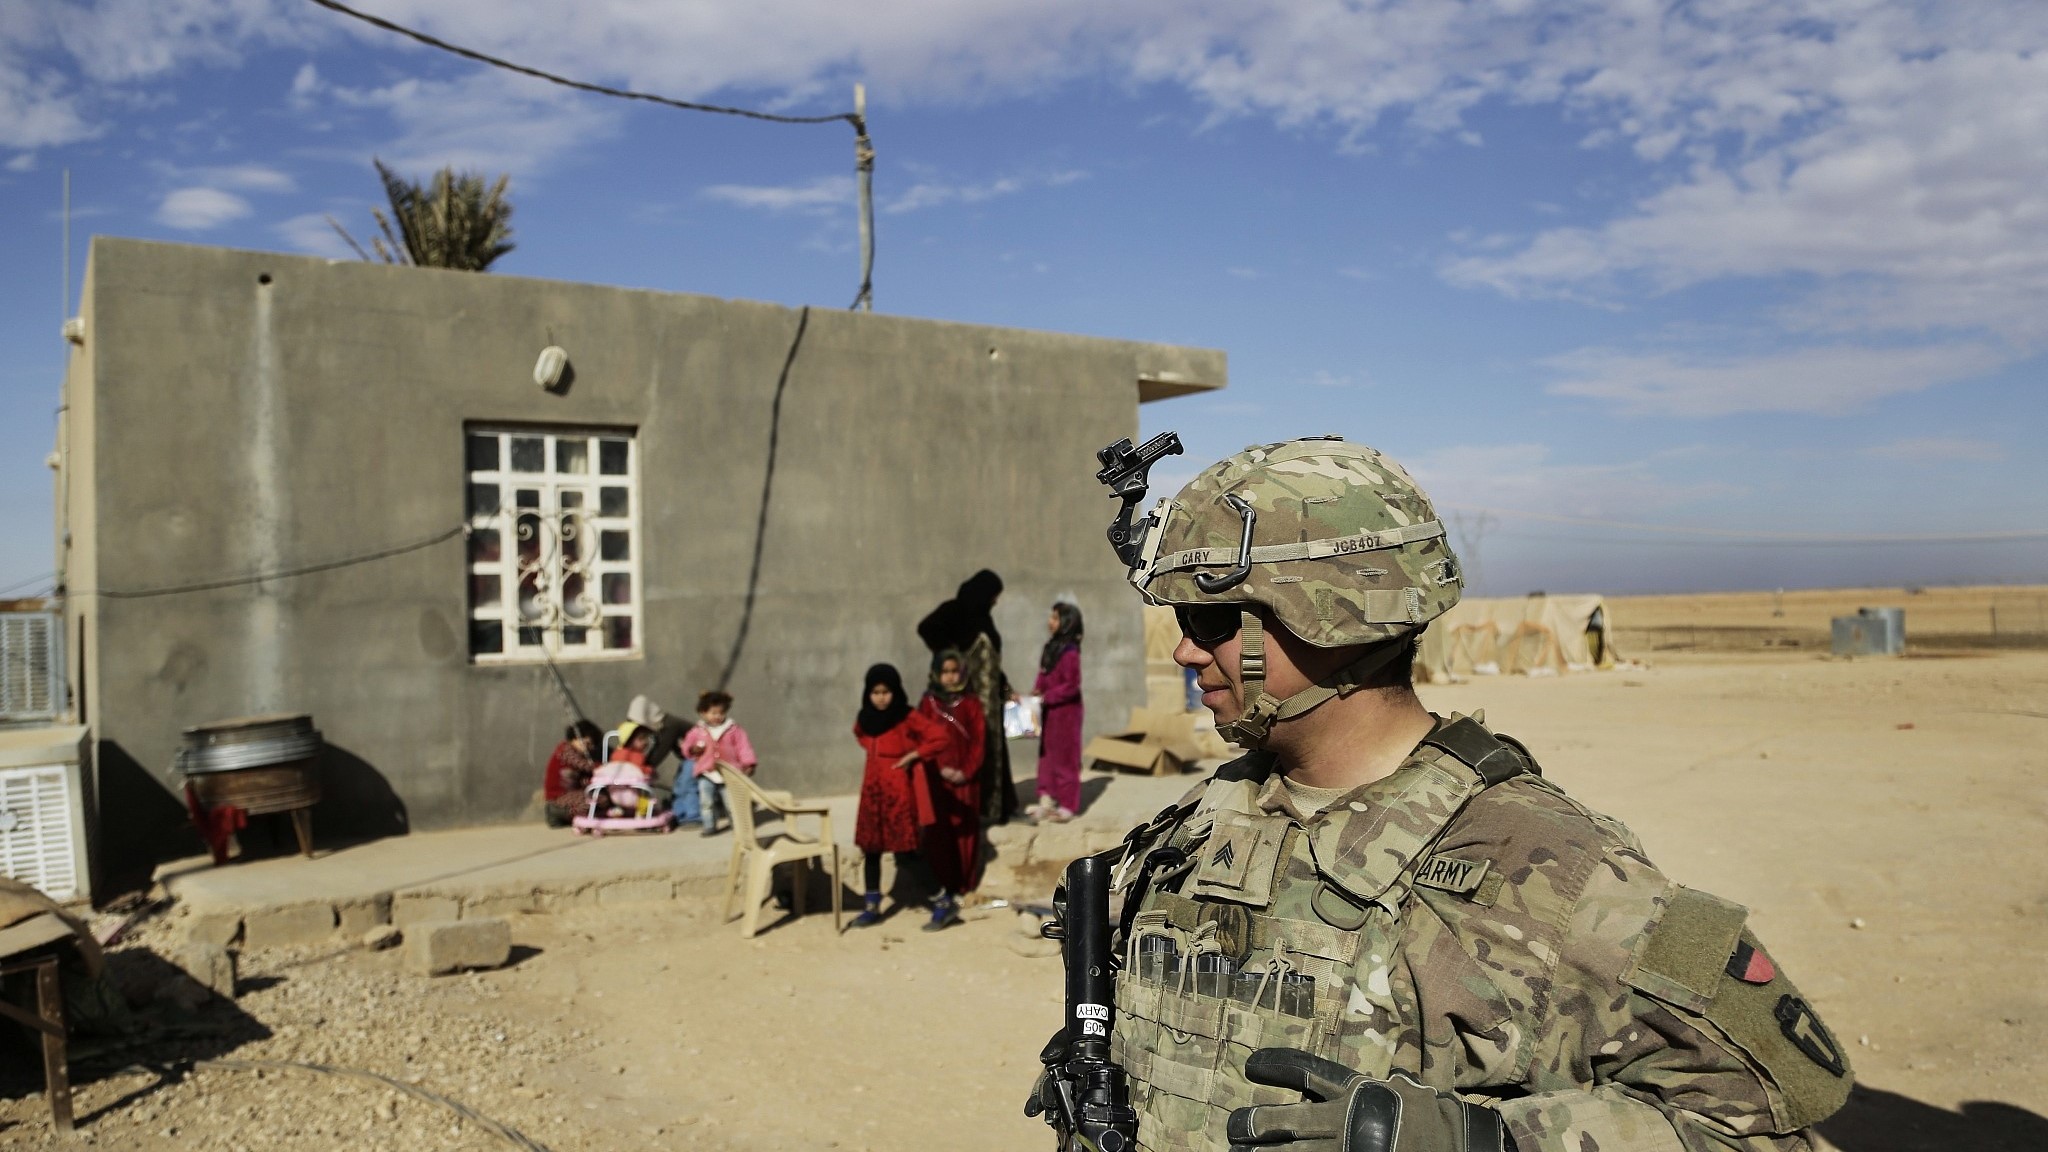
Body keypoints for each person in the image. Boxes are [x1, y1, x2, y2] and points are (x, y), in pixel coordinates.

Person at [1038, 436, 1850, 1152]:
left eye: (1210, 620)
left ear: (1331, 618)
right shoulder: (1198, 829)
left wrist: (1486, 1141)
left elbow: (1756, 1122)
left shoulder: (1547, 869)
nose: (1184, 650)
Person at [851, 663, 953, 930]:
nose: (881, 698)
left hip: (898, 793)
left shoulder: (907, 716)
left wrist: (913, 755)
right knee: (871, 849)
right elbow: (859, 734)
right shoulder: (865, 719)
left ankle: (943, 902)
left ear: (895, 691)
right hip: (873, 792)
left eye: (886, 692)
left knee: (905, 853)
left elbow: (940, 737)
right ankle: (871, 906)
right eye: (875, 692)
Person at [918, 569, 1017, 825]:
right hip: (966, 701)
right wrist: (951, 657)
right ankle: (972, 808)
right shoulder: (955, 611)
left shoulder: (985, 619)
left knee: (992, 750)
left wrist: (1005, 687)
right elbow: (926, 628)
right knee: (969, 750)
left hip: (990, 702)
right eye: (993, 595)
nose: (995, 601)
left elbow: (991, 662)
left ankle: (997, 807)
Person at [916, 650, 986, 906]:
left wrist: (965, 771)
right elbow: (921, 738)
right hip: (937, 781)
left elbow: (979, 741)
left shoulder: (971, 703)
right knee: (939, 833)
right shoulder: (928, 703)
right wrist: (939, 769)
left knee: (964, 833)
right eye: (945, 672)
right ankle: (943, 887)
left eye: (954, 671)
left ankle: (963, 885)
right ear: (936, 673)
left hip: (965, 782)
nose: (949, 677)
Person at [1024, 601, 1084, 823]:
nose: (1050, 622)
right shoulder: (1051, 648)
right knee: (1047, 757)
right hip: (1048, 712)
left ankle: (1067, 805)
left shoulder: (1070, 652)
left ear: (1067, 623)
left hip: (1066, 713)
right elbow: (1043, 674)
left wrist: (1047, 697)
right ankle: (1046, 801)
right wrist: (1036, 692)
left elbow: (1071, 685)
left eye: (1056, 618)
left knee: (1066, 758)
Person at [682, 690, 757, 838]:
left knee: (731, 802)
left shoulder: (733, 730)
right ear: (703, 713)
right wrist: (692, 749)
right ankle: (709, 825)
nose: (717, 716)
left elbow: (743, 747)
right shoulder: (698, 731)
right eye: (713, 713)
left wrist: (748, 763)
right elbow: (687, 745)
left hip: (729, 772)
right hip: (706, 772)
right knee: (706, 802)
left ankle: (738, 826)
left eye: (721, 713)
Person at [542, 719, 603, 827]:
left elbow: (582, 778)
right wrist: (600, 768)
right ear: (575, 738)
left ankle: (570, 817)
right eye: (587, 744)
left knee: (599, 800)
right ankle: (555, 813)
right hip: (558, 796)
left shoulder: (579, 755)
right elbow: (581, 764)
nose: (588, 749)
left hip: (572, 794)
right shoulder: (565, 750)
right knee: (587, 803)